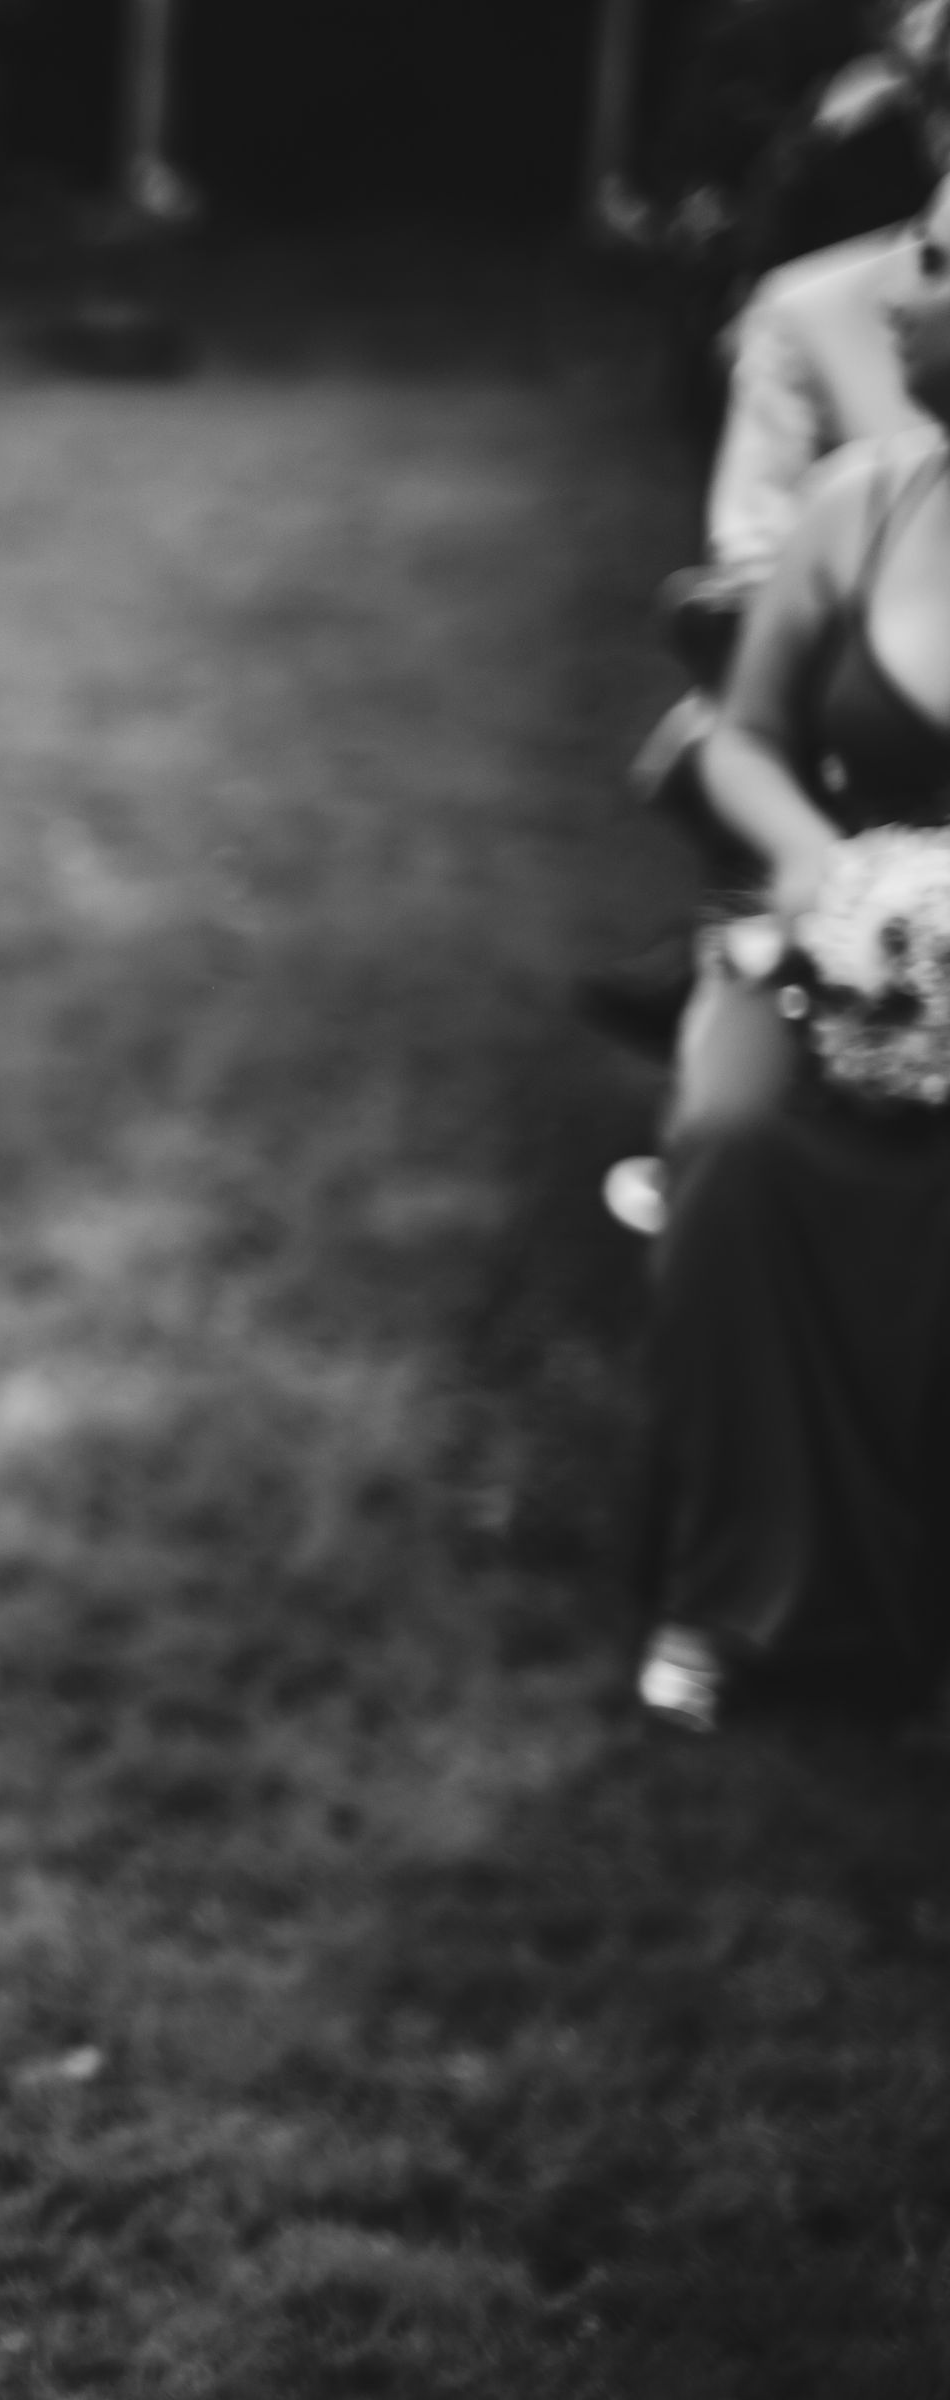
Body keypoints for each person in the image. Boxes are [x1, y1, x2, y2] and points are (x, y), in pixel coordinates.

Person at [641, 265, 950, 1733]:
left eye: (946, 273)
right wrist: (834, 873)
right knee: (732, 1144)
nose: (917, 297)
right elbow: (738, 741)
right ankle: (734, 1592)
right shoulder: (868, 498)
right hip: (829, 945)